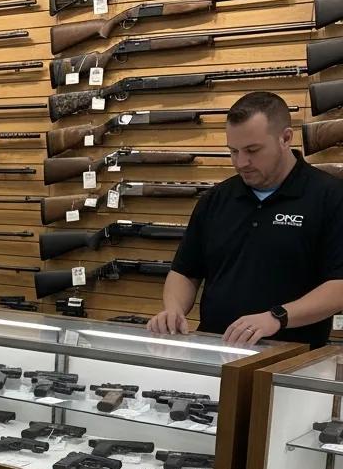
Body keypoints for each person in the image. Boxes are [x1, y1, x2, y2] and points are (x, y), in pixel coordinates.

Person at [147, 91, 343, 348]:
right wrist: (173, 310)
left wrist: (277, 317)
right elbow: (185, 271)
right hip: (214, 351)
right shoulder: (215, 199)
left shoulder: (330, 196)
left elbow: (339, 286)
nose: (241, 162)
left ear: (285, 139)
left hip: (292, 359)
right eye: (233, 151)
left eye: (252, 150)